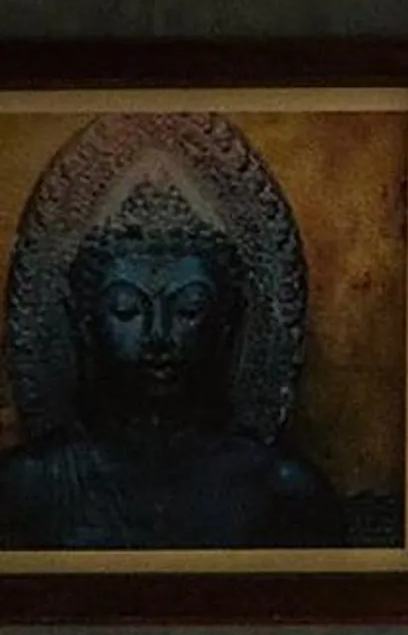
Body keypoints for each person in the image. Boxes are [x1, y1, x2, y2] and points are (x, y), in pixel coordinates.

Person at [0, 116, 343, 552]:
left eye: (188, 310)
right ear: (82, 321)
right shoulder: (29, 486)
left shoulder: (280, 490)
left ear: (228, 322)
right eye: (127, 310)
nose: (158, 335)